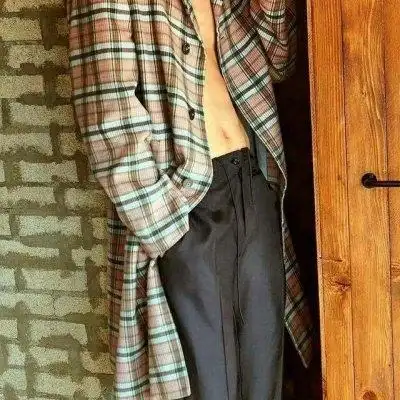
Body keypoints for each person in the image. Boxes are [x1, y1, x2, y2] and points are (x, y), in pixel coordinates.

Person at [67, 0, 314, 398]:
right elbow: (108, 120)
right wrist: (170, 232)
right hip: (185, 205)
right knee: (208, 385)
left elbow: (280, 61)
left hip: (254, 181)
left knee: (264, 373)